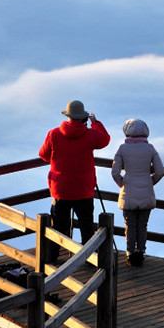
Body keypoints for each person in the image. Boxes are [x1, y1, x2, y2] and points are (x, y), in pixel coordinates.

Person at [39, 100, 110, 263]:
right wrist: (96, 123)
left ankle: (52, 256)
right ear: (83, 118)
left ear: (68, 116)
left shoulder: (53, 134)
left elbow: (43, 154)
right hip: (84, 189)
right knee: (87, 227)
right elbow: (105, 140)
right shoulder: (90, 135)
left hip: (61, 189)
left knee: (58, 226)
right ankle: (90, 259)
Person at [111, 118, 164, 267]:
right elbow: (160, 171)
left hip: (128, 192)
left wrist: (123, 184)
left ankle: (130, 254)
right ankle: (141, 252)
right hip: (146, 192)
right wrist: (150, 182)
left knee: (130, 225)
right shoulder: (150, 149)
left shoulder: (122, 149)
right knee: (142, 225)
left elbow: (115, 172)